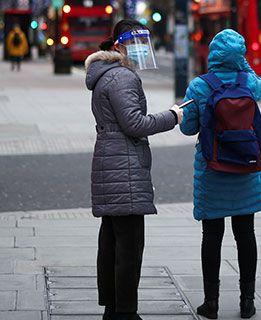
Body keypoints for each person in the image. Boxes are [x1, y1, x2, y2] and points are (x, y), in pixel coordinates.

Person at [85, 19, 183, 320]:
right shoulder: (122, 78)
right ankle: (125, 313)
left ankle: (113, 308)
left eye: (145, 46)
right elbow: (135, 124)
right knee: (129, 246)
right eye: (138, 45)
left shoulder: (107, 74)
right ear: (121, 45)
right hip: (123, 165)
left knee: (112, 242)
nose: (143, 51)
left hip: (111, 161)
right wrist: (174, 116)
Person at [179, 29, 261, 319]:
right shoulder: (250, 83)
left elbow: (188, 128)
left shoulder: (199, 86)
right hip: (246, 170)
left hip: (212, 170)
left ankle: (211, 303)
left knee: (212, 236)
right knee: (246, 235)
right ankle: (247, 301)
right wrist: (243, 66)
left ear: (213, 54)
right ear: (240, 56)